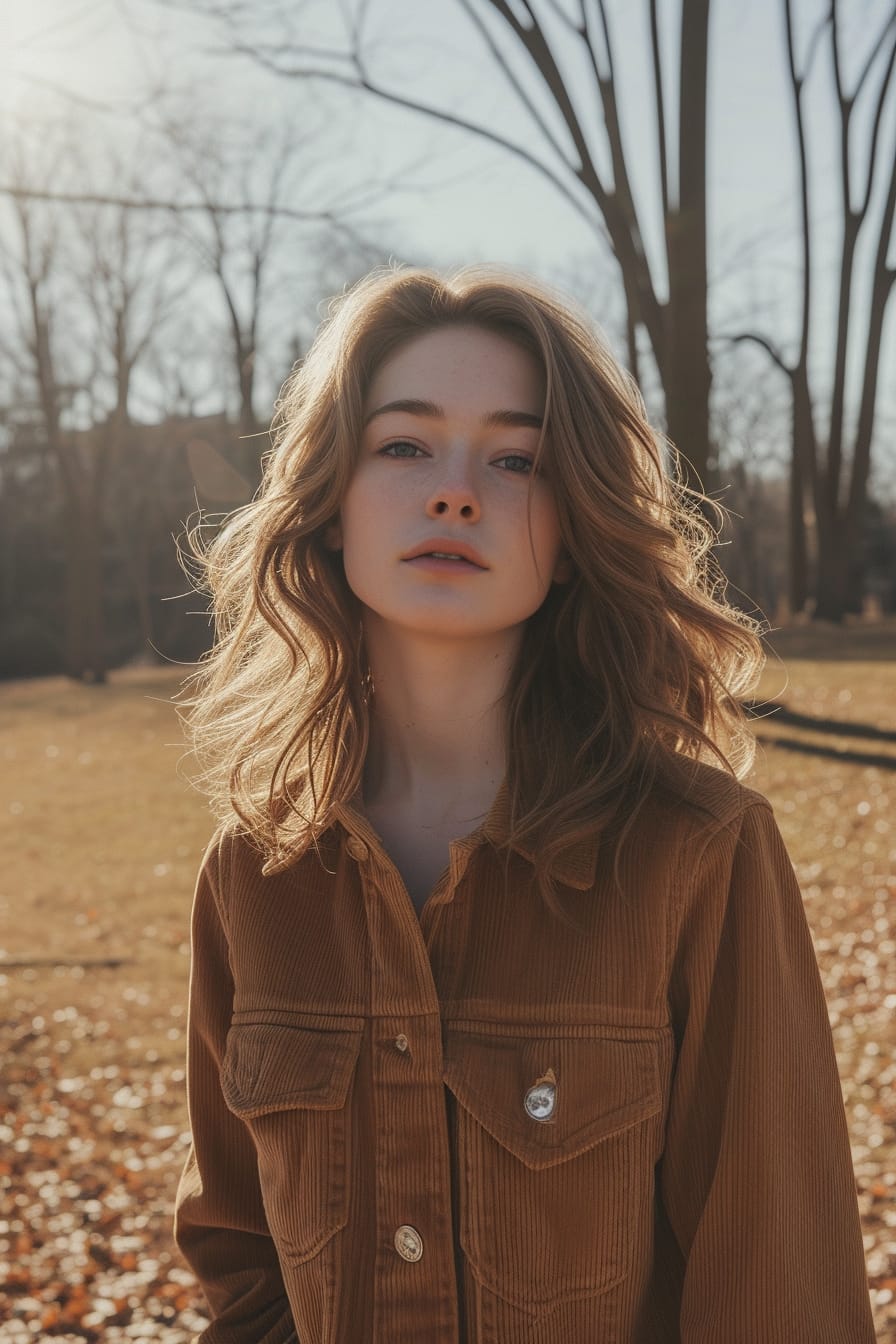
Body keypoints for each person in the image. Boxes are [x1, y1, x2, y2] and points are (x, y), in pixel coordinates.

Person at [172, 266, 876, 1343]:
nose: (455, 491)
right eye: (403, 445)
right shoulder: (250, 870)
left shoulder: (697, 854)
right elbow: (242, 1266)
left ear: (571, 528)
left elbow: (777, 1299)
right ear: (329, 501)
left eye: (517, 460)